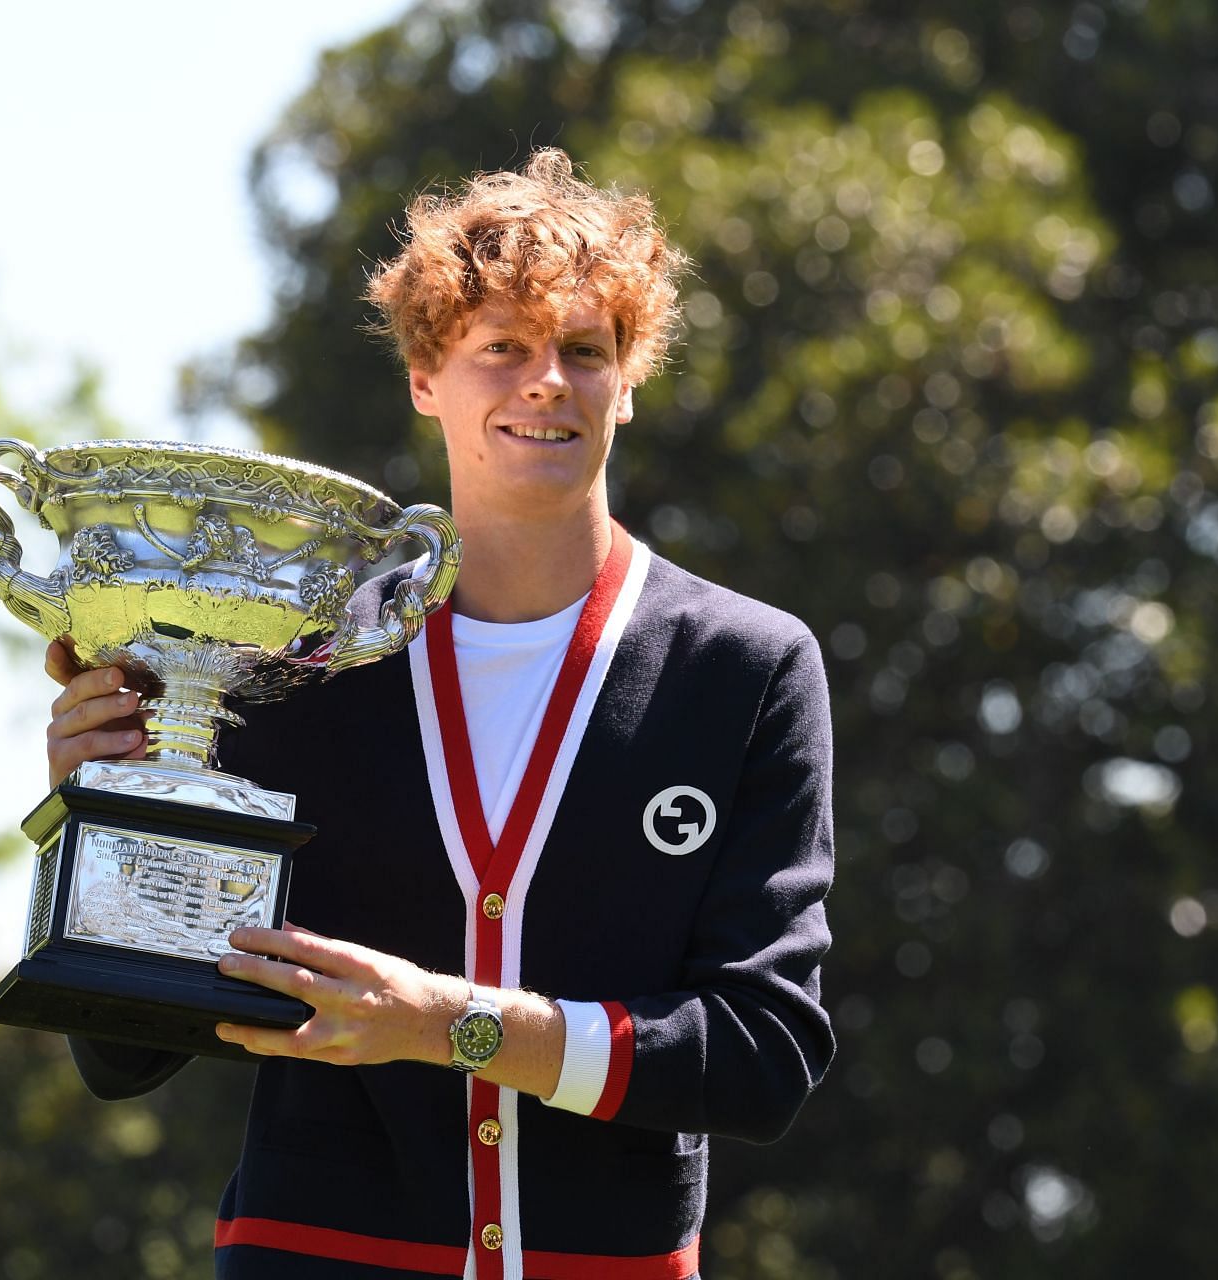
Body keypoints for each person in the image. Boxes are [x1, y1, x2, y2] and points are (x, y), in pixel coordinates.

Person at [43, 149, 835, 1279]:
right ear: (427, 376)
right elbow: (121, 1056)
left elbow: (761, 1054)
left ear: (632, 376)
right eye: (502, 347)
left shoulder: (744, 668)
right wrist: (113, 809)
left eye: (583, 349)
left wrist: (448, 1023)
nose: (545, 381)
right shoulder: (293, 658)